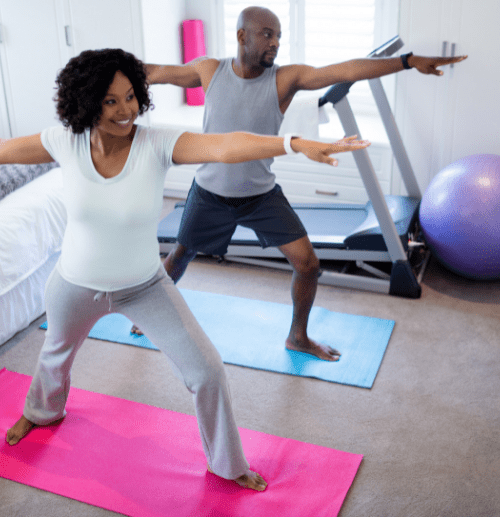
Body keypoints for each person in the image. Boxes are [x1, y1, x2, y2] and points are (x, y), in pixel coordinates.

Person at [1, 48, 370, 491]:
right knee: (53, 357)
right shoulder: (64, 141)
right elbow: (4, 152)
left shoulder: (156, 144)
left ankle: (227, 463)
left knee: (208, 371)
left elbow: (228, 143)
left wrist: (294, 143)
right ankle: (40, 413)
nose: (126, 110)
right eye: (110, 101)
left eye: (131, 97)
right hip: (73, 286)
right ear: (85, 102)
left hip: (144, 287)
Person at [142, 6, 467, 361]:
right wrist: (98, 72)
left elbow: (344, 70)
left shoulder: (284, 78)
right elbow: (156, 72)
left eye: (279, 36)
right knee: (179, 256)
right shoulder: (210, 70)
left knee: (308, 264)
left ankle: (298, 336)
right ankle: (148, 316)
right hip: (209, 194)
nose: (276, 43)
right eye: (267, 34)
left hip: (260, 196)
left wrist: (406, 61)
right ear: (241, 36)